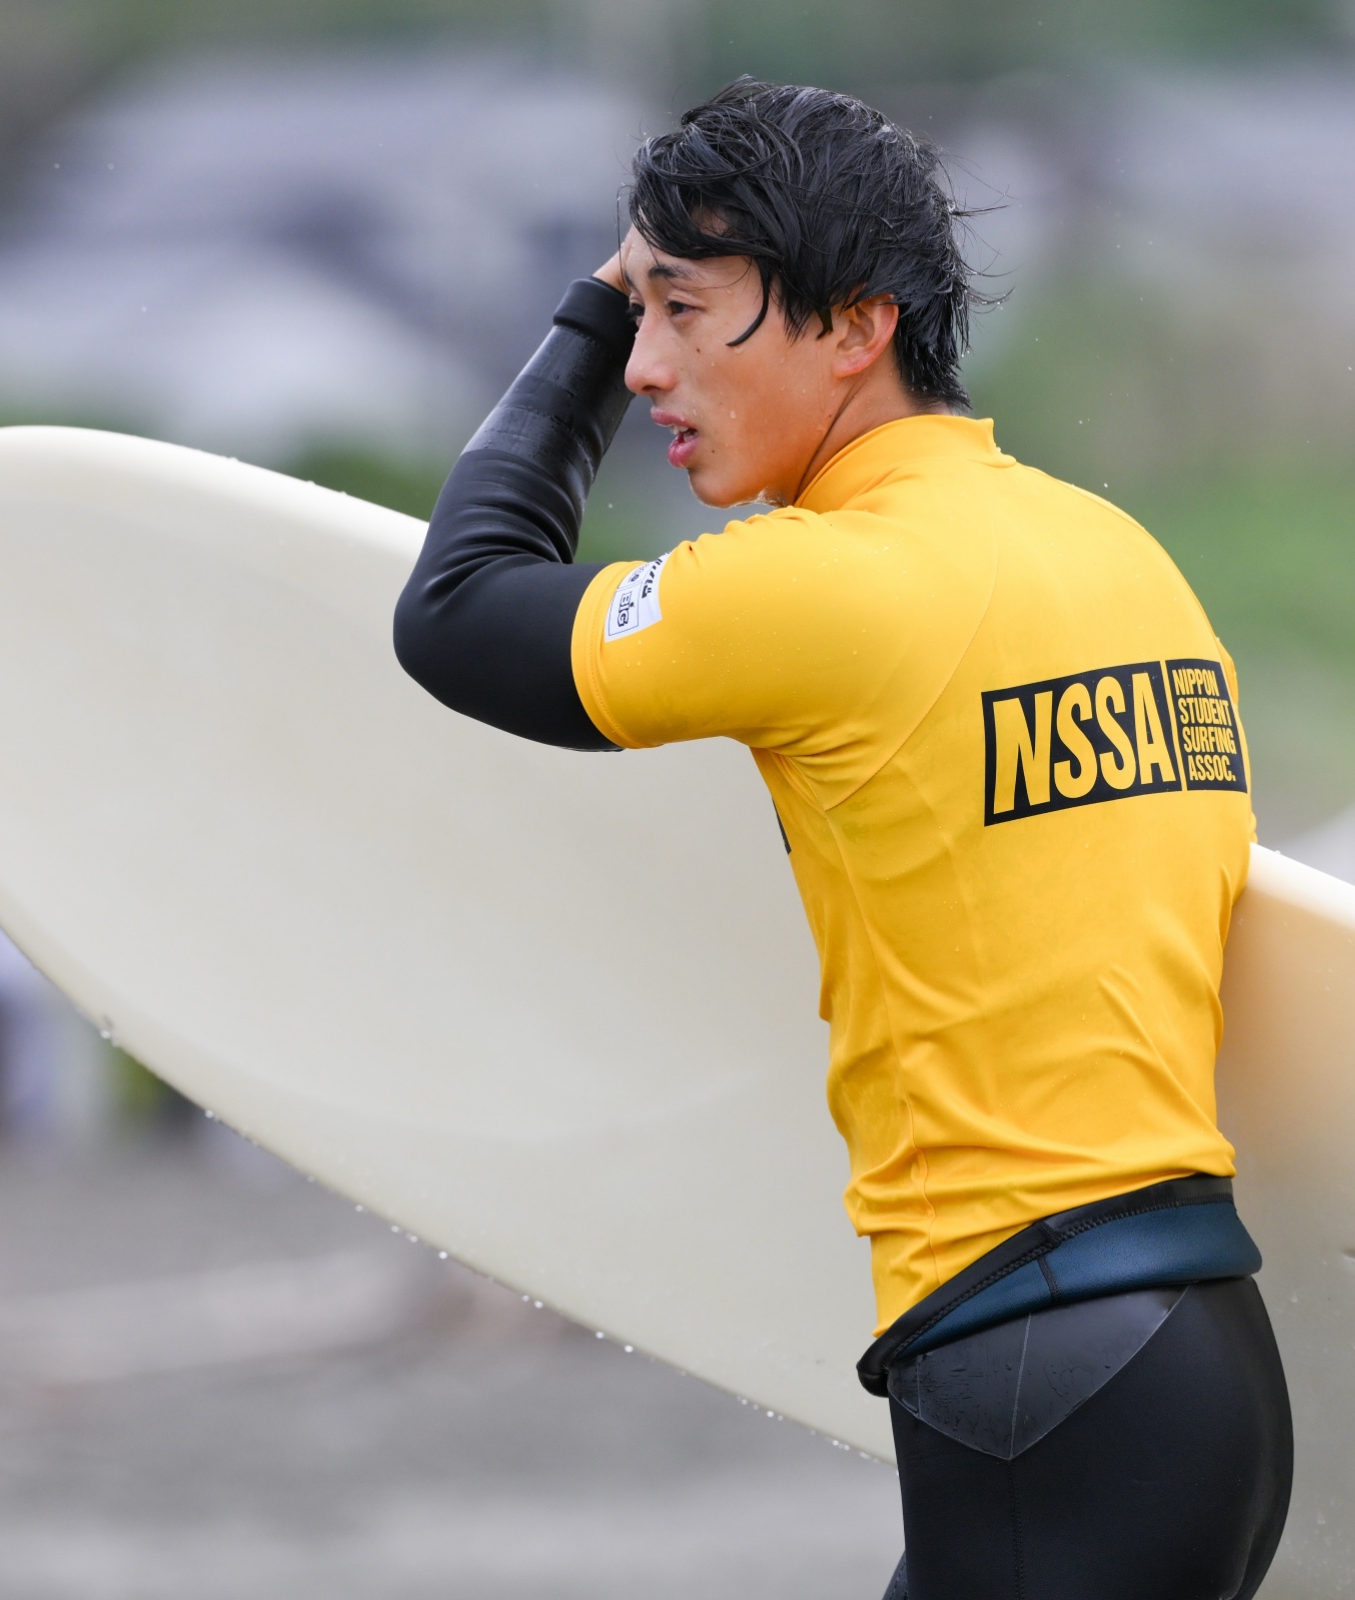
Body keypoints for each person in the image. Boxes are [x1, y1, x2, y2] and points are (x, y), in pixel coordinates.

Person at [395, 81, 1292, 1598]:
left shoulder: (820, 585)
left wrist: (581, 317)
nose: (648, 363)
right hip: (1197, 1355)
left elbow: (457, 608)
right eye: (639, 313)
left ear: (856, 325)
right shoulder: (1116, 555)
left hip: (1032, 1364)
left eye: (682, 308)